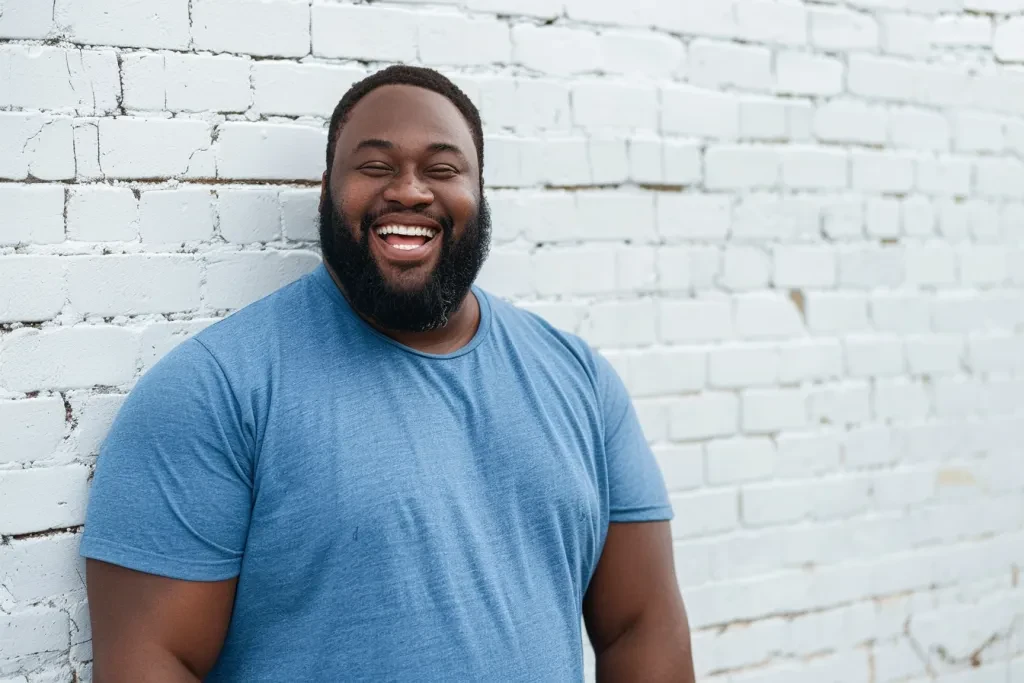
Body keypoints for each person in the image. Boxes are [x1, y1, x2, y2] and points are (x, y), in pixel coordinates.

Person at [81, 65, 695, 682]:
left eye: (442, 169)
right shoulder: (213, 393)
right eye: (375, 167)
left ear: (479, 195)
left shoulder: (580, 381)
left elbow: (639, 627)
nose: (409, 191)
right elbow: (154, 661)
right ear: (326, 194)